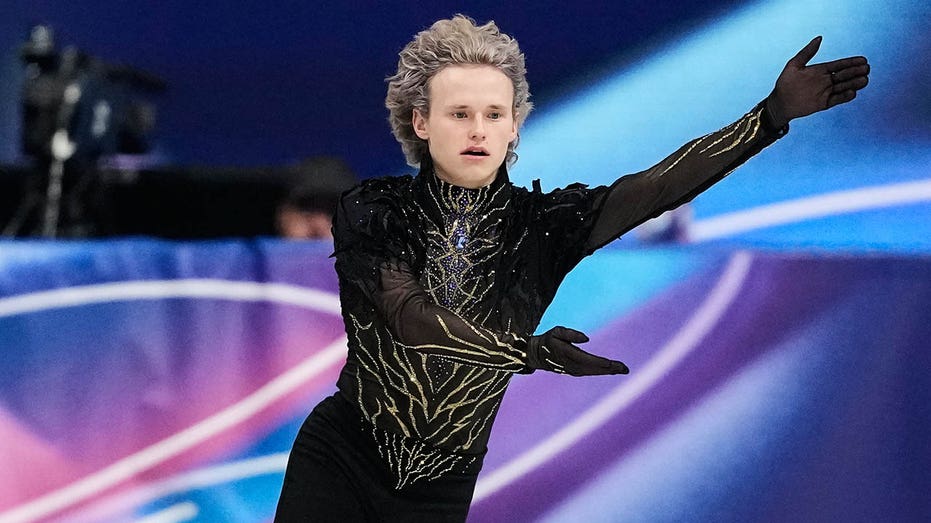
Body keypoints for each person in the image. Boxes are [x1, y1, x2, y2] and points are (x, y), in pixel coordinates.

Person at [274, 15, 869, 522]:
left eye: (494, 114)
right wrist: (527, 352)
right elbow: (410, 318)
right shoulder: (373, 209)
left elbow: (655, 189)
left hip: (442, 483)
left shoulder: (544, 227)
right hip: (343, 458)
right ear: (421, 122)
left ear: (514, 126)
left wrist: (768, 117)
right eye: (459, 113)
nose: (478, 130)